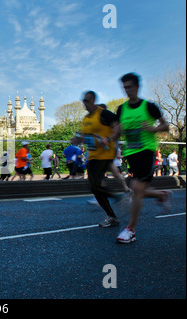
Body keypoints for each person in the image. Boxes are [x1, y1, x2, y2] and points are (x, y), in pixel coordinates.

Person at [115, 73, 171, 244]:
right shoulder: (121, 109)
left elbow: (166, 126)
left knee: (136, 187)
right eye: (124, 87)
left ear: (137, 87)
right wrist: (109, 137)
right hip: (131, 154)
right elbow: (116, 130)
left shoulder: (149, 107)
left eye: (130, 87)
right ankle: (161, 195)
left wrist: (152, 129)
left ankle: (130, 230)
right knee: (137, 190)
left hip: (147, 151)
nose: (127, 90)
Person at [73, 90, 121, 228]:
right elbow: (82, 136)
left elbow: (118, 127)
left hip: (106, 154)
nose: (85, 103)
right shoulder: (86, 119)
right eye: (83, 100)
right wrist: (76, 139)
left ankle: (116, 198)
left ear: (93, 100)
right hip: (93, 156)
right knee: (95, 188)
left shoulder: (103, 113)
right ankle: (113, 214)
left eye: (87, 100)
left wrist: (109, 138)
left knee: (95, 185)